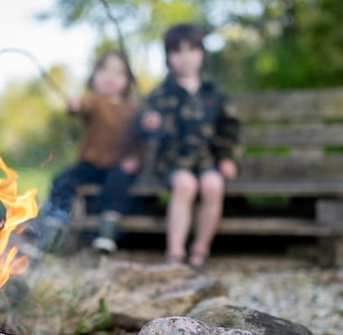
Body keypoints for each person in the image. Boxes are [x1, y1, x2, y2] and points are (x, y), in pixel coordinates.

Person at [139, 23, 239, 271]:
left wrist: (227, 158)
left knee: (213, 185)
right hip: (173, 161)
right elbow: (143, 127)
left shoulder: (213, 92)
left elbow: (230, 127)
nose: (184, 57)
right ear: (168, 57)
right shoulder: (160, 94)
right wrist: (148, 124)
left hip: (207, 159)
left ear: (202, 54)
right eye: (177, 51)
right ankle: (175, 252)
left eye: (190, 50)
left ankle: (200, 250)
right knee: (185, 185)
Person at [39, 50, 139, 253]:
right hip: (90, 165)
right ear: (93, 76)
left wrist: (135, 159)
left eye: (118, 73)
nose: (110, 77)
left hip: (118, 166)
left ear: (127, 80)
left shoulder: (132, 110)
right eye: (104, 70)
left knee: (118, 183)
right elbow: (80, 106)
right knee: (62, 180)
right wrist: (75, 105)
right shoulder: (93, 101)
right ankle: (54, 228)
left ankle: (106, 233)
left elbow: (140, 140)